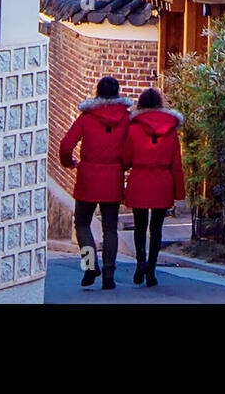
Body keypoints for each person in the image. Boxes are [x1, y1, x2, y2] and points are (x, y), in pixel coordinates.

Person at [58, 76, 133, 289]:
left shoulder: (86, 117)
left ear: (97, 92)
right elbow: (131, 148)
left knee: (82, 224)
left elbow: (66, 145)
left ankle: (90, 265)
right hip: (113, 177)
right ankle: (109, 274)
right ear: (118, 92)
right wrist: (123, 165)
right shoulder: (126, 119)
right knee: (110, 228)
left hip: (88, 177)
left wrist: (69, 163)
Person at [121, 87, 185, 287]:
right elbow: (176, 164)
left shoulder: (133, 128)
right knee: (156, 228)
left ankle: (140, 260)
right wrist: (178, 191)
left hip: (140, 178)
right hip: (162, 181)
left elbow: (126, 159)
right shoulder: (172, 130)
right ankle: (151, 268)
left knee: (139, 226)